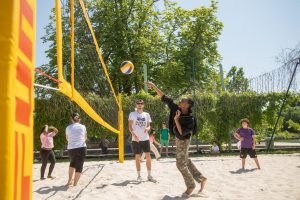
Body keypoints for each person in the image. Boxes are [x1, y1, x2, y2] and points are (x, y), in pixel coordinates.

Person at [147, 81, 207, 197]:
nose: (180, 101)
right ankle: (201, 178)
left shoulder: (190, 119)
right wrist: (154, 86)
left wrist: (176, 120)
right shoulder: (175, 108)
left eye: (183, 101)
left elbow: (181, 132)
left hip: (184, 139)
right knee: (185, 160)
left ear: (187, 105)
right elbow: (164, 97)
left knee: (180, 164)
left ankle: (191, 185)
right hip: (179, 138)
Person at [128, 99, 156, 182]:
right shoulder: (132, 114)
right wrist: (134, 135)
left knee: (148, 156)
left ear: (143, 105)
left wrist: (147, 128)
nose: (140, 105)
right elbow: (130, 127)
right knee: (137, 156)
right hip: (136, 139)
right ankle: (139, 176)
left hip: (145, 138)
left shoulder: (146, 114)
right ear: (136, 105)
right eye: (138, 103)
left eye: (141, 103)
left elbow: (149, 126)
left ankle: (149, 175)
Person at [65, 112, 87, 187]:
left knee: (72, 163)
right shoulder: (83, 126)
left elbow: (67, 138)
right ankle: (75, 183)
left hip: (71, 148)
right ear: (79, 119)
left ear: (72, 119)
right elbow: (85, 137)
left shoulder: (68, 127)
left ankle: (69, 181)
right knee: (79, 165)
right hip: (81, 147)